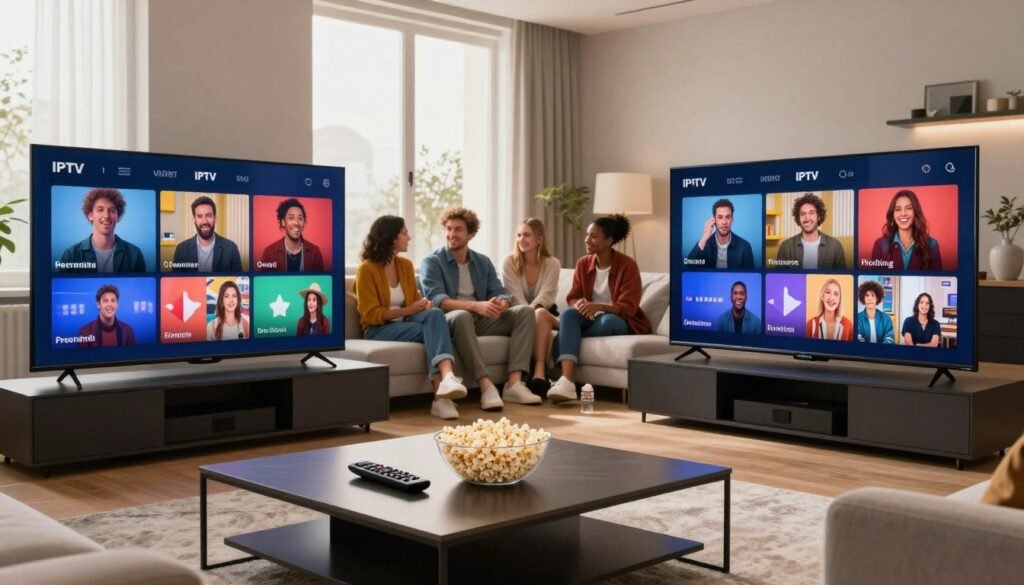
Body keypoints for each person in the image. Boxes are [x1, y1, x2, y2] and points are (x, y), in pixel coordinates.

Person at [420, 206, 540, 415]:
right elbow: (437, 300)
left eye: (458, 229)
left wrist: (500, 303)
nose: (452, 234)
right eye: (448, 229)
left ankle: (514, 384)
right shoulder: (432, 262)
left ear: (471, 234)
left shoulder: (482, 262)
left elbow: (500, 292)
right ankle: (486, 386)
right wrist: (476, 305)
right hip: (452, 319)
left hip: (482, 317)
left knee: (525, 312)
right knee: (463, 315)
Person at [355, 215, 468, 419]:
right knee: (435, 331)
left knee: (434, 316)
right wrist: (408, 310)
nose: (409, 237)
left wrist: (423, 304)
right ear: (391, 238)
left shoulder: (405, 266)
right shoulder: (367, 269)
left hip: (406, 324)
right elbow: (370, 315)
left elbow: (412, 300)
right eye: (405, 233)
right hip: (378, 329)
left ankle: (447, 381)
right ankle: (442, 396)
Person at [547, 215, 650, 403]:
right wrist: (580, 304)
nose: (587, 240)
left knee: (607, 320)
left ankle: (564, 338)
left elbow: (628, 307)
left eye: (594, 236)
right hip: (589, 317)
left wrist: (600, 306)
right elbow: (573, 296)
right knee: (570, 314)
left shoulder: (628, 265)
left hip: (620, 319)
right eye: (587, 235)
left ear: (609, 241)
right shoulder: (583, 263)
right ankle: (568, 382)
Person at [501, 218, 562, 394]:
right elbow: (513, 295)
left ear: (539, 238)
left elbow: (547, 295)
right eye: (519, 235)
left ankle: (537, 372)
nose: (521, 239)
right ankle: (537, 376)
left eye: (527, 235)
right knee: (536, 322)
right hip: (518, 313)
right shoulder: (508, 262)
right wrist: (527, 314)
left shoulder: (552, 263)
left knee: (541, 313)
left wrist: (533, 311)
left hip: (545, 311)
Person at [59, 188, 146, 273]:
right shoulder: (71, 255)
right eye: (100, 210)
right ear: (90, 215)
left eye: (112, 210)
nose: (106, 216)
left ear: (118, 216)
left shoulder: (135, 254)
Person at [869, 189, 943, 271]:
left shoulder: (932, 244)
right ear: (892, 215)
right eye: (898, 209)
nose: (903, 213)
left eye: (908, 208)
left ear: (915, 212)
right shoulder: (880, 245)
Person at [775, 193, 847, 269]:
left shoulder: (835, 246)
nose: (807, 218)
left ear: (818, 217)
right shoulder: (785, 247)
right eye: (803, 214)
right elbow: (779, 277)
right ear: (798, 219)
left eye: (811, 213)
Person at [171, 196, 243, 272]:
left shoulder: (231, 249)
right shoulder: (181, 250)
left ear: (215, 218)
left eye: (208, 216)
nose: (204, 221)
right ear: (194, 220)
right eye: (199, 216)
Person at [258, 198, 325, 272]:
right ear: (283, 222)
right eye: (291, 218)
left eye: (300, 218)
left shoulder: (315, 252)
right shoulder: (269, 253)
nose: (296, 223)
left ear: (303, 223)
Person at [686, 198, 755, 269]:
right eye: (720, 217)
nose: (724, 222)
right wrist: (704, 237)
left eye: (728, 217)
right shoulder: (704, 244)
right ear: (714, 219)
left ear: (732, 219)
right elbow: (688, 266)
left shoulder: (744, 247)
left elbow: (749, 275)